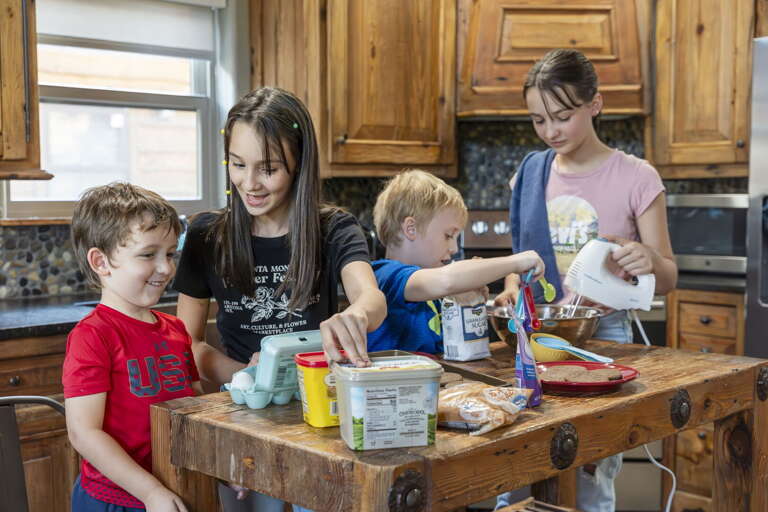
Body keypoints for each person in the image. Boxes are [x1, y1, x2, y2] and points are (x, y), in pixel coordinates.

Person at [173, 87, 386, 511]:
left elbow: (371, 297)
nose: (249, 183)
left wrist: (356, 315)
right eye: (237, 164)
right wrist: (250, 376)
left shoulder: (333, 229)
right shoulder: (205, 236)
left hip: (319, 421)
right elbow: (186, 344)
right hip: (244, 419)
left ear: (299, 164)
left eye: (268, 169)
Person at [494, 49, 678, 512]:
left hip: (604, 340)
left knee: (592, 478)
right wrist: (512, 289)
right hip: (535, 338)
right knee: (515, 468)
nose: (551, 131)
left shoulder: (636, 176)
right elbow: (521, 268)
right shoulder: (529, 176)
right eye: (538, 120)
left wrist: (647, 259)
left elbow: (670, 275)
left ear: (594, 104)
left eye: (562, 116)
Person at [63, 182, 200, 512]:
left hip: (177, 490)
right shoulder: (93, 336)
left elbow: (197, 413)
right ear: (101, 261)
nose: (166, 267)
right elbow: (84, 433)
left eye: (170, 254)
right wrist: (150, 491)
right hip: (116, 500)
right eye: (148, 254)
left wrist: (221, 469)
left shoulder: (176, 330)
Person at [367, 169, 544, 354]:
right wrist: (516, 262)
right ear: (411, 228)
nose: (454, 248)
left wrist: (469, 301)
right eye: (448, 235)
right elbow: (446, 280)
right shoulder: (383, 275)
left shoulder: (433, 290)